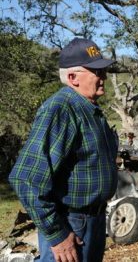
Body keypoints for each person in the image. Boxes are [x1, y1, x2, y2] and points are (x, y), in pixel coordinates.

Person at [9, 38, 118, 262]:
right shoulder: (62, 108)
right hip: (72, 224)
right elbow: (26, 179)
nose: (104, 76)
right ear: (72, 77)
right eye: (97, 71)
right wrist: (58, 235)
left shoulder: (88, 109)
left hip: (92, 221)